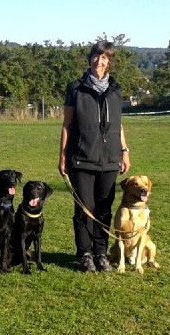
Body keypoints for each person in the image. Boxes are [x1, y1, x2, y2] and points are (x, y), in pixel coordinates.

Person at [59, 41, 131, 273]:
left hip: (110, 159)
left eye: (105, 58)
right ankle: (85, 253)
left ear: (109, 62)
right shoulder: (76, 88)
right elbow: (67, 125)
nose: (100, 62)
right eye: (96, 57)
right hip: (82, 158)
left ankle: (101, 253)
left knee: (104, 209)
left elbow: (118, 125)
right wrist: (62, 156)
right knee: (84, 209)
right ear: (90, 59)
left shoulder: (115, 89)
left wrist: (124, 150)